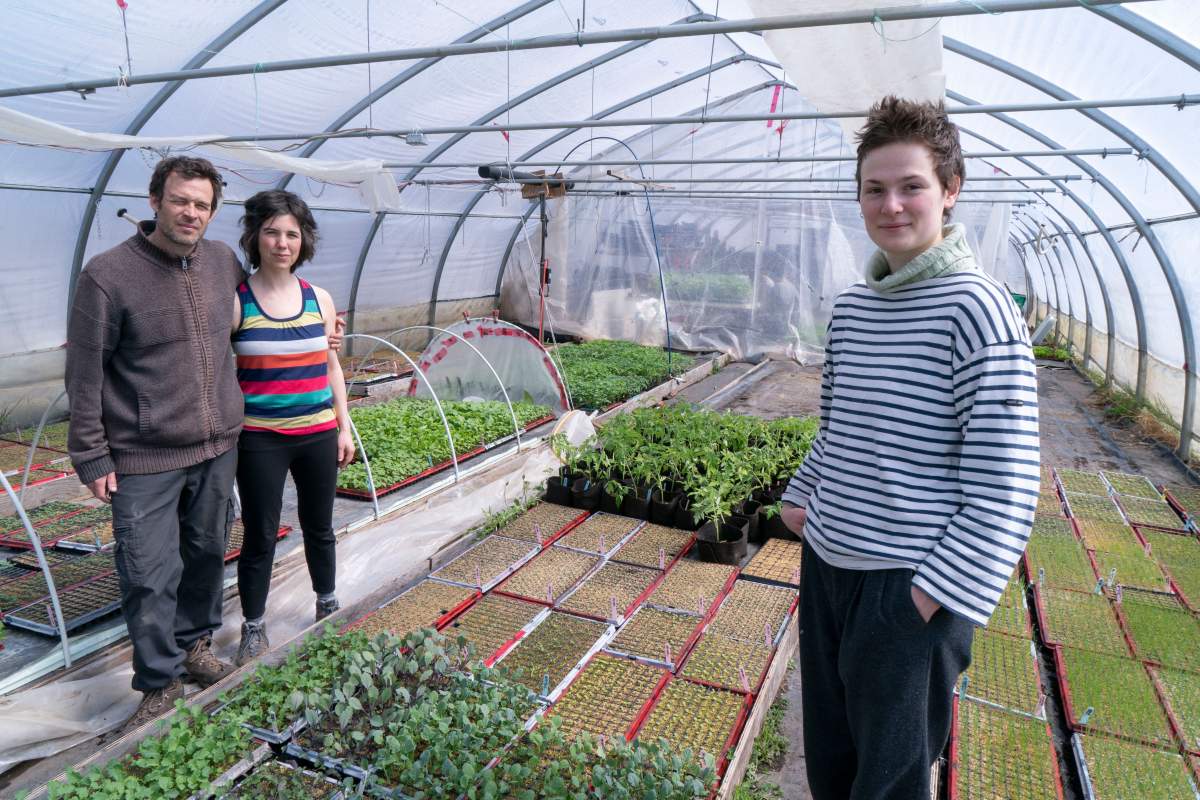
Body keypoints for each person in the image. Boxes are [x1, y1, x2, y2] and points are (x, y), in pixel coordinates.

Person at [780, 97, 1040, 799]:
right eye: (874, 188)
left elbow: (1008, 488)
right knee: (831, 756)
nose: (891, 204)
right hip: (829, 563)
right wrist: (801, 500)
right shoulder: (855, 307)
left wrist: (924, 600)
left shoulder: (978, 309)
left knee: (889, 781)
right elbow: (838, 425)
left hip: (906, 581)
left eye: (911, 185)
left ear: (951, 191)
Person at [66, 156, 241, 734]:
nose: (191, 212)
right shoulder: (107, 275)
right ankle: (159, 681)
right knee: (146, 570)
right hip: (144, 454)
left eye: (202, 204)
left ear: (213, 211)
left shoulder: (221, 262)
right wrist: (90, 451)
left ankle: (195, 648)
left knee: (207, 555)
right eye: (180, 200)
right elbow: (85, 370)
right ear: (154, 202)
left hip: (217, 446)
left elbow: (243, 323)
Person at [230, 190, 354, 666]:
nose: (282, 243)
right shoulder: (239, 302)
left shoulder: (317, 298)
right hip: (260, 438)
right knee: (260, 533)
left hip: (318, 433)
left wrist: (343, 426)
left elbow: (332, 366)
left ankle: (326, 602)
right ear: (255, 238)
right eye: (272, 233)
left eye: (292, 235)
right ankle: (254, 627)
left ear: (304, 243)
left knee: (319, 526)